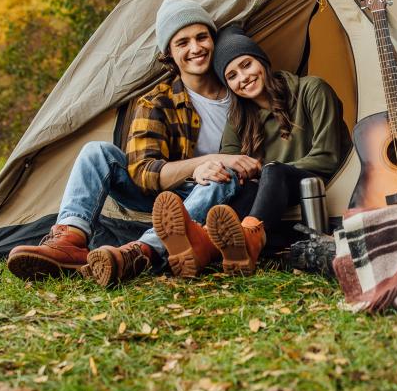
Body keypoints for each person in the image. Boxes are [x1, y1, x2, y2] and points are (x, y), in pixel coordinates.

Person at [6, 0, 260, 286]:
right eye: (182, 43)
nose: (195, 48)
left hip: (218, 196)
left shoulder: (240, 88)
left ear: (213, 40)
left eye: (202, 37)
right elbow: (144, 171)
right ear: (169, 54)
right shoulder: (157, 102)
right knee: (96, 151)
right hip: (163, 195)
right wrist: (200, 165)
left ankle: (142, 251)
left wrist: (220, 167)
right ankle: (70, 241)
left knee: (220, 177)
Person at [150, 25, 351, 276]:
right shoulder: (239, 118)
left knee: (273, 172)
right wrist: (203, 169)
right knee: (235, 184)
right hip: (273, 208)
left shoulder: (312, 90)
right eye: (232, 76)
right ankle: (204, 242)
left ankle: (248, 239)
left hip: (317, 188)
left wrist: (268, 172)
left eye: (246, 65)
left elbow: (328, 157)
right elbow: (229, 165)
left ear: (262, 61)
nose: (242, 78)